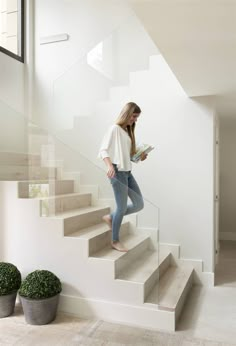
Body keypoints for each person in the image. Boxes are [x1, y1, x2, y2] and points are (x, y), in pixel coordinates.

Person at [98, 102, 147, 252]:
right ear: (127, 113)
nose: (135, 120)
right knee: (122, 207)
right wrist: (109, 166)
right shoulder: (115, 129)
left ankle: (111, 217)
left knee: (139, 204)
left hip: (127, 172)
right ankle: (115, 240)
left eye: (137, 117)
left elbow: (128, 157)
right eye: (134, 116)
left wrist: (140, 156)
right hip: (117, 172)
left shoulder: (127, 132)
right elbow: (103, 150)